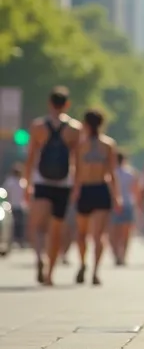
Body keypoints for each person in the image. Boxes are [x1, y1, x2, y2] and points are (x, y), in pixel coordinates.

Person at [24, 86, 81, 285]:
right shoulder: (74, 128)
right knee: (55, 230)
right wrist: (77, 186)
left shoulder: (38, 126)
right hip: (63, 183)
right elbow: (77, 159)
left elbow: (31, 156)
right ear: (67, 104)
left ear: (50, 103)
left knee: (37, 226)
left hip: (42, 181)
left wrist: (27, 184)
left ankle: (39, 257)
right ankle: (50, 274)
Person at [72, 109, 121, 285]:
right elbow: (112, 174)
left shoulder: (83, 145)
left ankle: (89, 266)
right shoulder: (107, 144)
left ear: (85, 123)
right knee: (96, 234)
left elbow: (77, 172)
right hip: (98, 189)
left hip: (89, 189)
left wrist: (75, 191)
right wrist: (116, 196)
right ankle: (91, 268)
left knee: (83, 233)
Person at [109, 151, 138, 265]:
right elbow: (135, 189)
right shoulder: (131, 172)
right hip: (128, 203)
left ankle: (116, 254)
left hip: (114, 204)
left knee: (113, 232)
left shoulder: (111, 172)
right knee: (126, 233)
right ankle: (123, 256)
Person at [2, 164, 27, 247]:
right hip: (19, 206)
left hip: (12, 206)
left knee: (13, 225)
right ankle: (18, 241)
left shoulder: (10, 182)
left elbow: (5, 194)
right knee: (18, 225)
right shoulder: (23, 182)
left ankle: (13, 241)